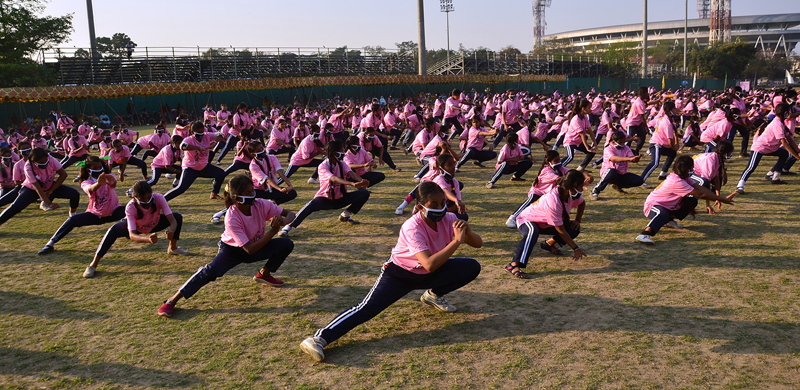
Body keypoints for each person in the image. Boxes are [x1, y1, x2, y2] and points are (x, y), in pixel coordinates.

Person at [299, 181, 483, 362]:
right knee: (366, 309)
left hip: (429, 273)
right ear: (420, 207)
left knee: (471, 267)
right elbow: (429, 264)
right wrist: (456, 241)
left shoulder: (449, 219)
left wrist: (467, 232)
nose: (440, 208)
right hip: (400, 274)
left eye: (442, 203)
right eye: (433, 204)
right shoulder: (412, 227)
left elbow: (478, 244)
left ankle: (433, 295)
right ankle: (318, 338)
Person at [157, 175, 296, 318]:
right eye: (248, 193)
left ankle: (264, 274)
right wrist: (273, 231)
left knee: (286, 244)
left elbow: (291, 214)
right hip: (232, 250)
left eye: (253, 191)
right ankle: (171, 301)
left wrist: (283, 221)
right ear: (236, 198)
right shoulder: (231, 216)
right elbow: (249, 250)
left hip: (255, 245)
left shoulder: (260, 204)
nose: (252, 195)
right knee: (209, 272)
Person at [84, 181, 188, 278]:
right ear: (134, 198)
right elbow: (132, 235)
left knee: (178, 217)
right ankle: (93, 265)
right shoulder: (130, 207)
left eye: (149, 197)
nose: (147, 201)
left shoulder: (159, 198)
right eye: (142, 199)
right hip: (137, 227)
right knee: (113, 230)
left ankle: (172, 248)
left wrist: (171, 231)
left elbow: (173, 220)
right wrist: (148, 239)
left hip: (154, 223)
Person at [278, 140, 370, 237]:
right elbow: (333, 178)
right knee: (308, 207)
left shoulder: (342, 163)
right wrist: (352, 184)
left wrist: (362, 181)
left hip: (341, 197)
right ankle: (287, 228)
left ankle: (345, 215)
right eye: (341, 151)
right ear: (334, 153)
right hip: (325, 198)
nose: (344, 153)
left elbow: (352, 174)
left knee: (364, 193)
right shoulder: (323, 166)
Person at [636, 155, 736, 244]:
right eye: (692, 166)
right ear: (687, 168)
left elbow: (701, 189)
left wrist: (719, 197)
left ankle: (668, 221)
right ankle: (645, 234)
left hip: (667, 206)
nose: (693, 168)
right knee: (662, 214)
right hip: (652, 206)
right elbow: (700, 194)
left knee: (692, 201)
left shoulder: (684, 178)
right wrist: (722, 199)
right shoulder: (676, 181)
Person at [37, 156, 127, 255]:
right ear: (88, 170)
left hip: (114, 211)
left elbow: (113, 182)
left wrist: (112, 181)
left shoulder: (110, 176)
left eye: (100, 167)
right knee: (72, 220)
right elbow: (91, 188)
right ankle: (50, 244)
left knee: (132, 209)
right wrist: (98, 184)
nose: (99, 169)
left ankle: (130, 232)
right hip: (95, 215)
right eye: (95, 168)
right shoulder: (85, 182)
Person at [507, 170, 588, 279]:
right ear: (571, 187)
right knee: (532, 232)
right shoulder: (553, 200)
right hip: (528, 219)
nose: (582, 190)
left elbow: (582, 203)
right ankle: (514, 264)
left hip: (546, 223)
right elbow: (561, 230)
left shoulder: (569, 194)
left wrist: (577, 220)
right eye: (581, 187)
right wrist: (576, 248)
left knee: (574, 228)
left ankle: (549, 244)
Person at [211, 141, 297, 225]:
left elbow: (280, 172)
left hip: (271, 188)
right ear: (252, 154)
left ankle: (272, 203)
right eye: (258, 150)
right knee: (246, 203)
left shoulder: (272, 158)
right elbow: (266, 179)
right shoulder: (253, 165)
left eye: (262, 148)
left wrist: (289, 185)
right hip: (257, 190)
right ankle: (219, 214)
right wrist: (279, 189)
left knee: (292, 193)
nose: (262, 151)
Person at [0, 147, 80, 226]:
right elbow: (37, 187)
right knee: (15, 207)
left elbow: (63, 174)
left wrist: (51, 190)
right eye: (41, 162)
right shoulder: (28, 167)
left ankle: (72, 216)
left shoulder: (50, 159)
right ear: (33, 161)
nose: (44, 163)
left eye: (45, 161)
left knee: (74, 194)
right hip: (31, 189)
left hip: (49, 185)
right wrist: (49, 203)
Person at [736, 104, 800, 193]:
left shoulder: (781, 122)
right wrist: (797, 156)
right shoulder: (777, 123)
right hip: (760, 147)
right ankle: (740, 185)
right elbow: (784, 142)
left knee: (784, 154)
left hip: (771, 148)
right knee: (751, 167)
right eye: (788, 112)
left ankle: (775, 177)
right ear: (784, 112)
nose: (789, 114)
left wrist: (798, 151)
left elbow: (789, 139)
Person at [163, 121, 226, 201]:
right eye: (198, 133)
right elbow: (183, 146)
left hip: (203, 166)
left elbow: (220, 135)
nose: (201, 135)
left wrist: (215, 141)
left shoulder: (206, 136)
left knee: (221, 174)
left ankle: (214, 193)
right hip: (191, 168)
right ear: (193, 132)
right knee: (181, 188)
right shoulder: (189, 139)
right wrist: (198, 148)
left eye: (202, 132)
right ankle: (162, 200)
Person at [590, 131, 643, 200]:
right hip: (608, 172)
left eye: (623, 142)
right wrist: (629, 159)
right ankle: (595, 191)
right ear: (613, 141)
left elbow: (631, 157)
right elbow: (613, 158)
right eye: (620, 142)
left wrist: (635, 159)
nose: (622, 144)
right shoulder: (608, 148)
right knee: (612, 171)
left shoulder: (626, 148)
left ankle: (617, 185)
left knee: (639, 180)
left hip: (621, 173)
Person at [640, 101, 679, 183]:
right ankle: (641, 180)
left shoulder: (670, 120)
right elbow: (670, 140)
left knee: (672, 153)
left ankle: (663, 174)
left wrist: (676, 145)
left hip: (663, 144)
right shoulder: (667, 123)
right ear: (670, 111)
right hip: (657, 144)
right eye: (674, 108)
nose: (676, 110)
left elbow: (675, 133)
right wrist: (674, 147)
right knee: (655, 163)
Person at [691, 140, 733, 214]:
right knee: (703, 182)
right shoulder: (710, 160)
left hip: (696, 175)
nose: (731, 154)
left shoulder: (717, 158)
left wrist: (718, 197)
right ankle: (689, 203)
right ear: (725, 153)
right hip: (689, 174)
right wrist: (708, 204)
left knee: (707, 181)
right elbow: (707, 183)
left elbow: (716, 179)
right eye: (730, 152)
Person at [561, 99, 597, 171]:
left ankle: (581, 168)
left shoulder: (585, 117)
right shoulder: (576, 119)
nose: (591, 110)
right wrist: (587, 147)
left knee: (592, 152)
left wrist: (595, 144)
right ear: (583, 109)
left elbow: (590, 132)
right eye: (589, 108)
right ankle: (557, 168)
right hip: (570, 141)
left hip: (578, 142)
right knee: (570, 157)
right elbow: (582, 135)